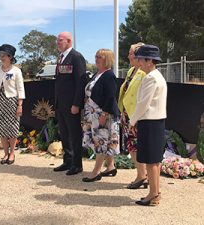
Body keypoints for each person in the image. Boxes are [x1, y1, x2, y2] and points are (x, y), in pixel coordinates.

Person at [129, 44, 167, 206]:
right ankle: (155, 192)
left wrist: (132, 121)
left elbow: (143, 103)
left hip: (150, 122)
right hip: (154, 122)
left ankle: (153, 194)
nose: (138, 62)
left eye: (141, 59)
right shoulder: (155, 75)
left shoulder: (151, 78)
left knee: (151, 161)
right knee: (154, 161)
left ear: (150, 60)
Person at [81, 49, 120, 182]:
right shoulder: (97, 74)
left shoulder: (109, 75)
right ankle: (110, 166)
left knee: (100, 142)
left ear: (107, 59)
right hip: (93, 114)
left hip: (103, 114)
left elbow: (110, 97)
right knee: (104, 140)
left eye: (100, 57)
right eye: (96, 56)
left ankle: (96, 172)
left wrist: (104, 114)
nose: (96, 59)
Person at [53, 31, 87, 175]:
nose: (57, 43)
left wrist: (76, 104)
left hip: (72, 104)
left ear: (69, 41)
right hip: (61, 104)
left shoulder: (76, 57)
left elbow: (80, 82)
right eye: (57, 40)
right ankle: (67, 160)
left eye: (60, 40)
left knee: (74, 134)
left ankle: (77, 164)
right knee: (64, 133)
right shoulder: (60, 58)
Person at [118, 43, 148, 189]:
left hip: (136, 116)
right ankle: (142, 174)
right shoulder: (131, 71)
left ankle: (142, 176)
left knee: (136, 146)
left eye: (131, 53)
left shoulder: (144, 73)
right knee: (131, 146)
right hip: (126, 114)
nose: (129, 56)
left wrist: (135, 118)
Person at [0, 44, 25, 165]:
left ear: (10, 57)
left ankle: (12, 153)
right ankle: (5, 153)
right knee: (1, 129)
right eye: (0, 55)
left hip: (12, 102)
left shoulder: (16, 71)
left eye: (4, 55)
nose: (2, 57)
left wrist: (20, 105)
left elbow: (21, 89)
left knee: (13, 129)